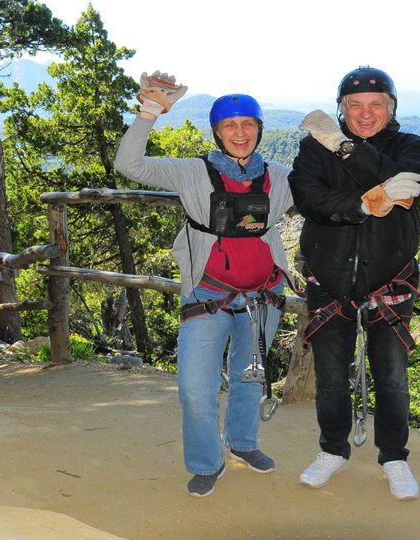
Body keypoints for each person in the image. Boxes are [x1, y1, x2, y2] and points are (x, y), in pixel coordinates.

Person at [114, 71, 294, 497]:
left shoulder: (282, 177)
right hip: (208, 294)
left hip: (264, 295)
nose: (239, 133)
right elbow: (129, 164)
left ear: (259, 130)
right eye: (229, 125)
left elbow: (331, 192)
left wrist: (338, 147)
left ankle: (243, 442)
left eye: (247, 124)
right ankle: (206, 462)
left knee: (250, 375)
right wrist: (150, 111)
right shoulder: (192, 172)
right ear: (216, 132)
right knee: (195, 388)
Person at [288, 66, 420, 500]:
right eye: (355, 105)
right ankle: (332, 450)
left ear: (391, 108)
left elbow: (406, 189)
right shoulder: (312, 148)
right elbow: (309, 199)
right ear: (342, 108)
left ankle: (394, 458)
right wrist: (367, 203)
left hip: (389, 278)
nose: (365, 113)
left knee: (392, 377)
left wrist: (343, 147)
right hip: (329, 278)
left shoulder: (413, 147)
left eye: (376, 104)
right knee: (331, 376)